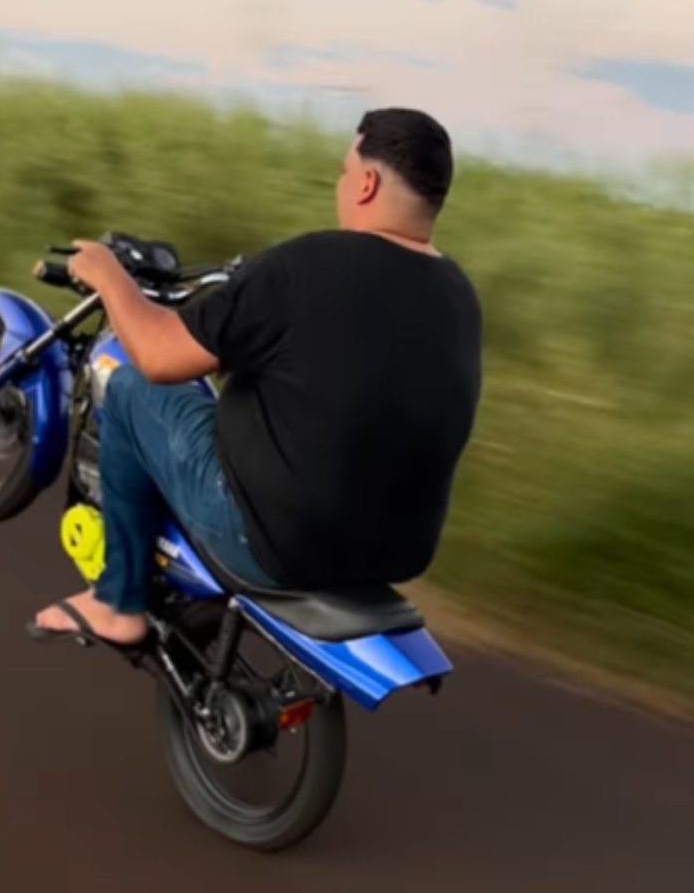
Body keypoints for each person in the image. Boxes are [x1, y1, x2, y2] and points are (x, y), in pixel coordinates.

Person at [27, 107, 483, 647]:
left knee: (129, 387)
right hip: (397, 554)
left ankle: (116, 602)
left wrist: (109, 275)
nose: (340, 185)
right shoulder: (460, 296)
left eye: (344, 171)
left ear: (367, 183)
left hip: (279, 546)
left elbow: (158, 356)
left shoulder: (307, 265)